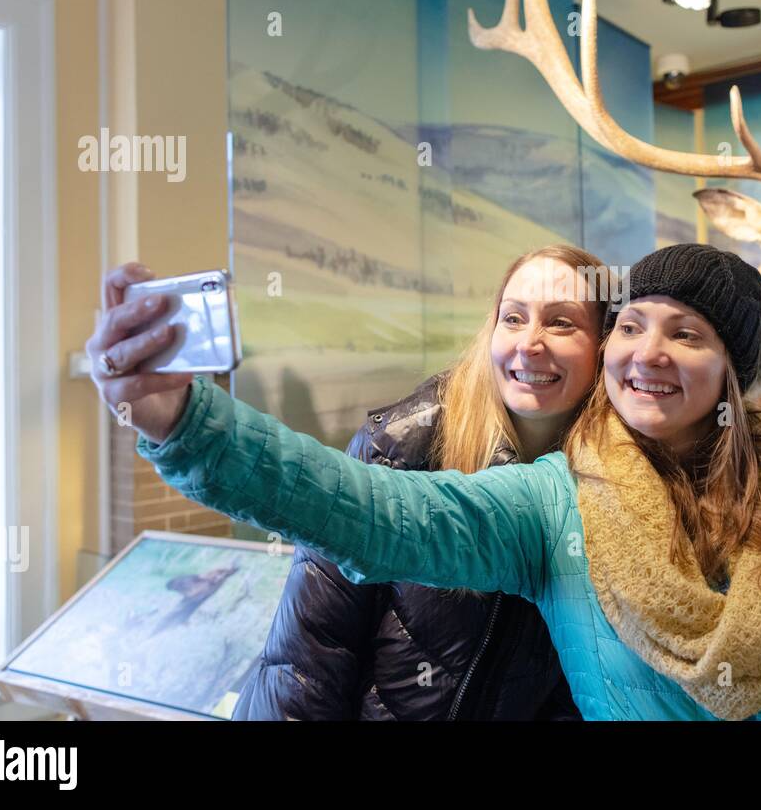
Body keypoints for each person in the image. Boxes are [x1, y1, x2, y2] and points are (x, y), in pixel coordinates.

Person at [89, 243, 761, 720]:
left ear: (734, 375)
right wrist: (187, 420)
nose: (648, 353)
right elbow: (373, 514)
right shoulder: (559, 501)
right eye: (635, 327)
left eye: (686, 335)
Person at [230, 245, 608, 719]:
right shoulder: (399, 446)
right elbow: (308, 659)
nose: (529, 343)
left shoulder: (609, 484)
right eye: (513, 318)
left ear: (604, 346)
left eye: (560, 323)